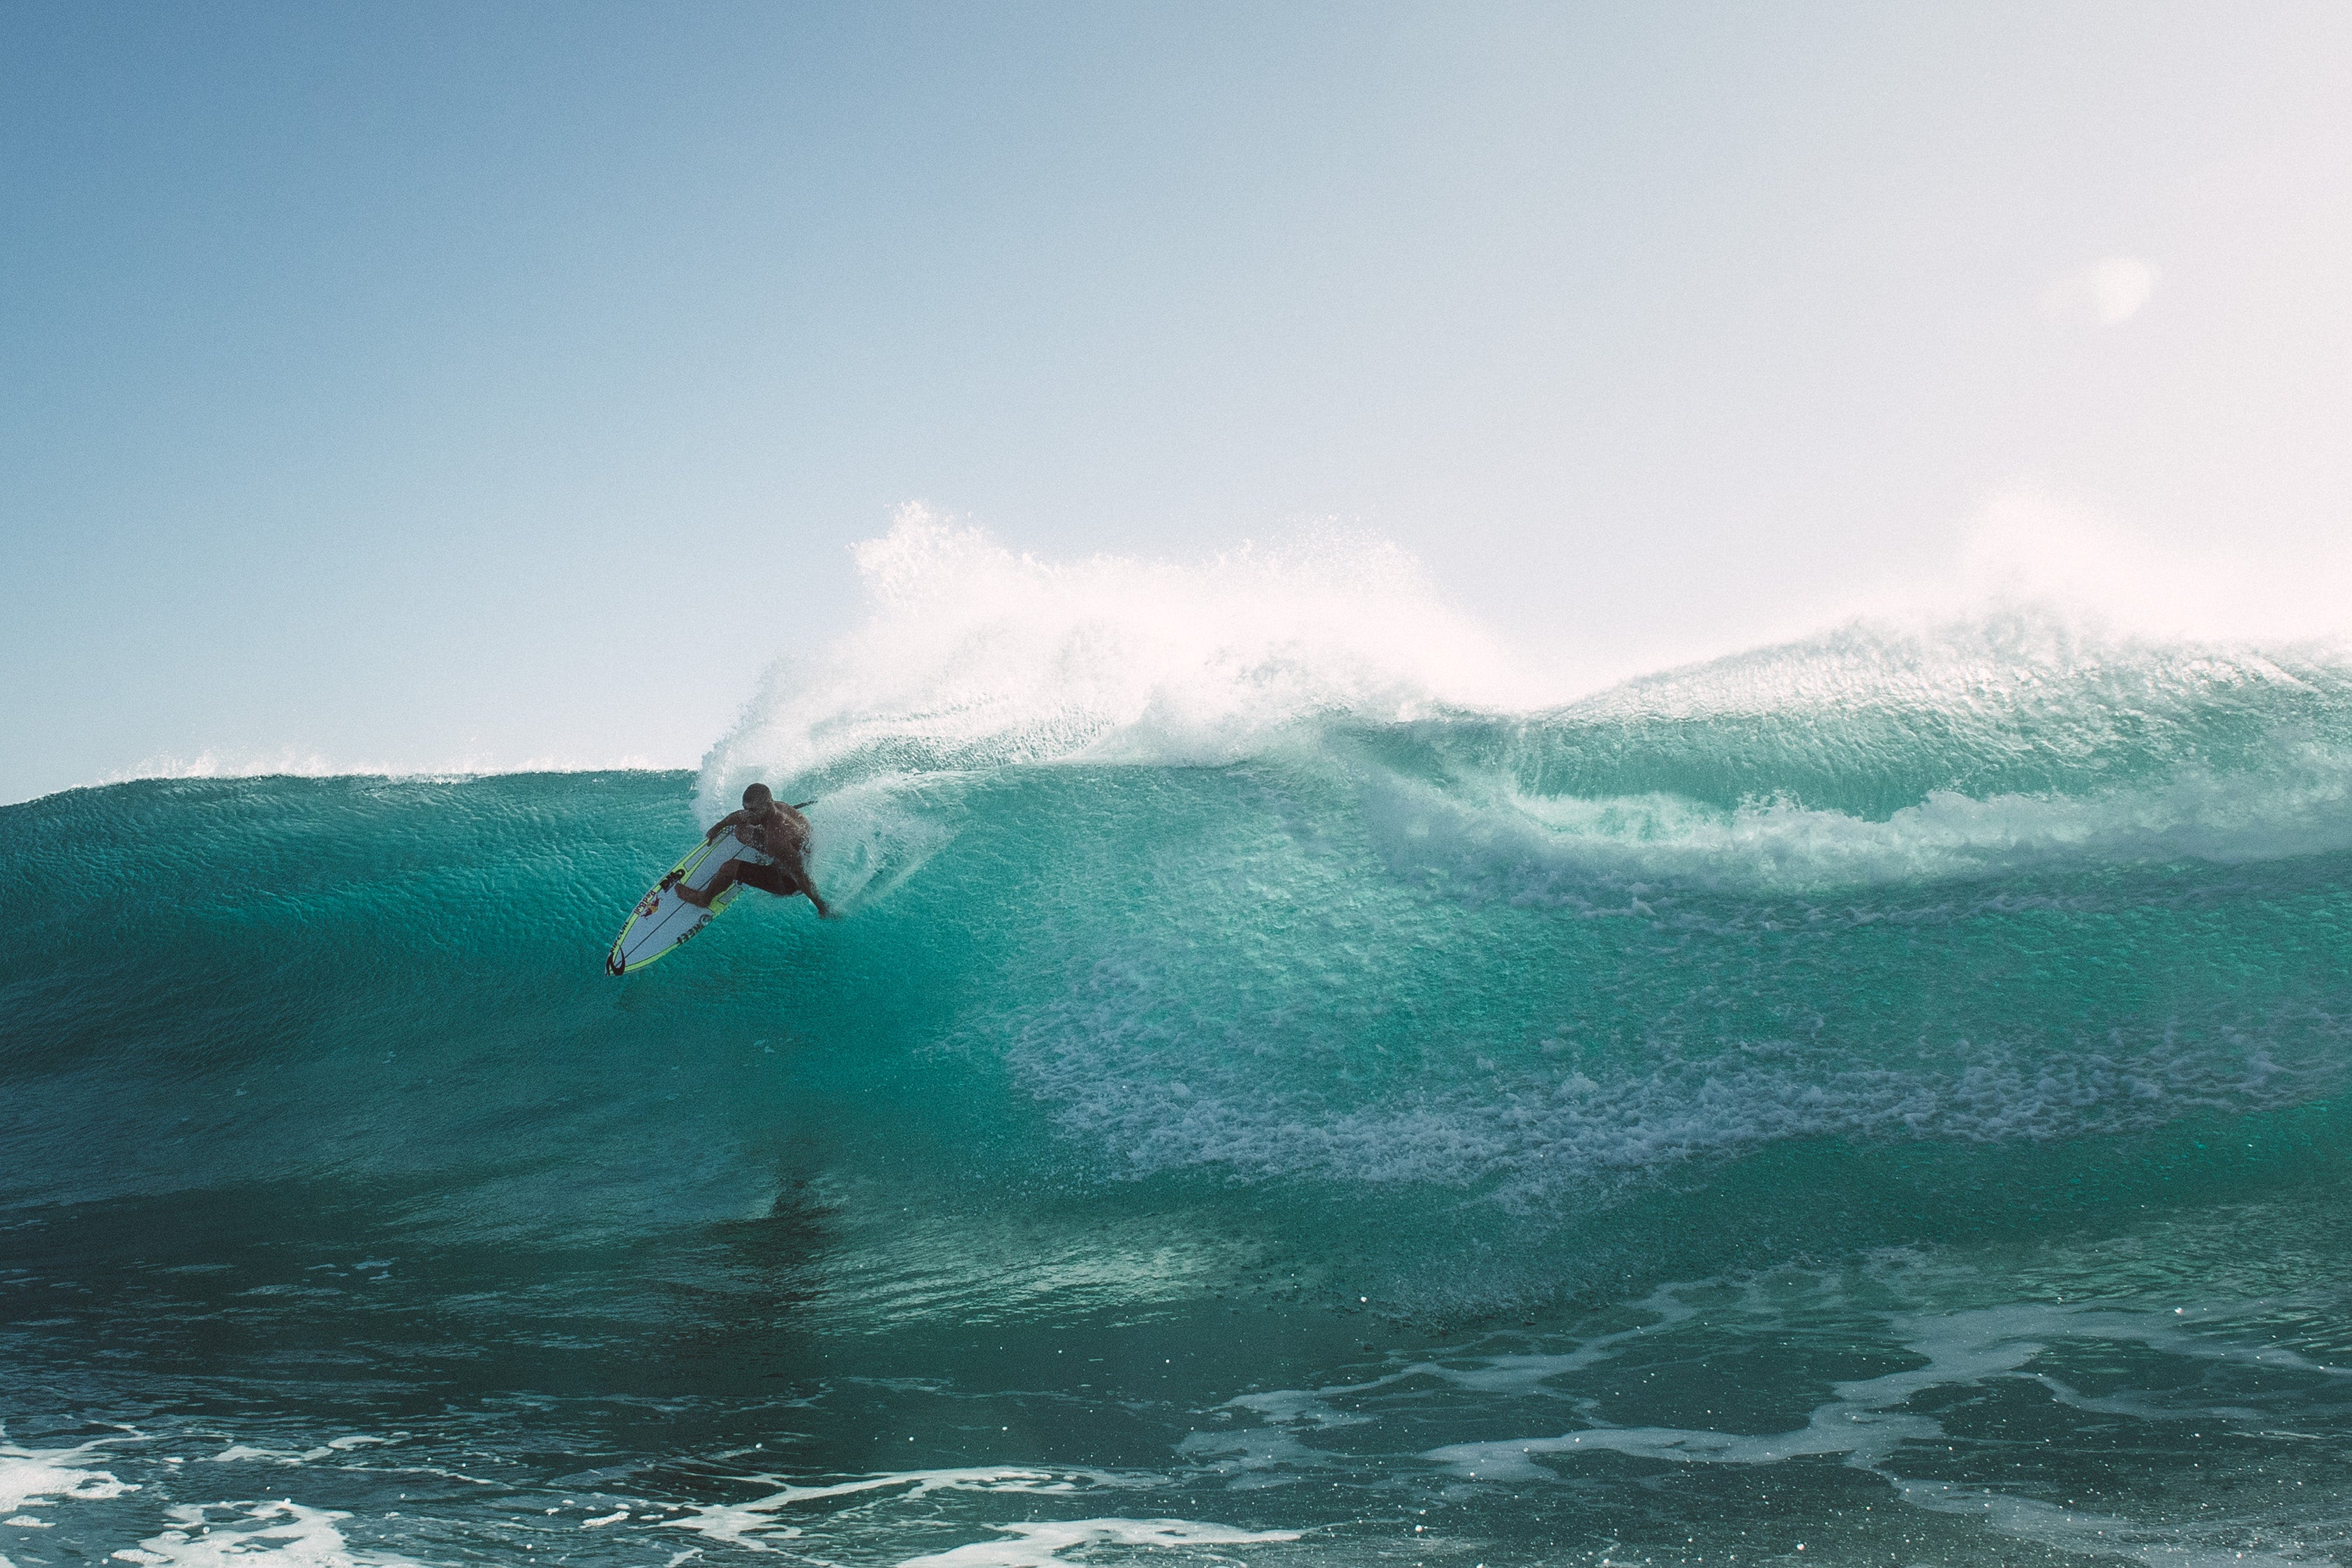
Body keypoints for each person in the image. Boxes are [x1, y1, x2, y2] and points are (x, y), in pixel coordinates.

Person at [673, 782, 831, 918]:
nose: (748, 814)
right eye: (746, 809)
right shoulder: (779, 807)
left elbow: (801, 876)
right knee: (741, 831)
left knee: (729, 868)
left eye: (753, 811)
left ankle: (704, 899)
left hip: (789, 882)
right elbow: (741, 816)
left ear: (768, 804)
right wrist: (719, 826)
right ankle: (769, 857)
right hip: (796, 850)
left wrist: (821, 907)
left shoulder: (777, 840)